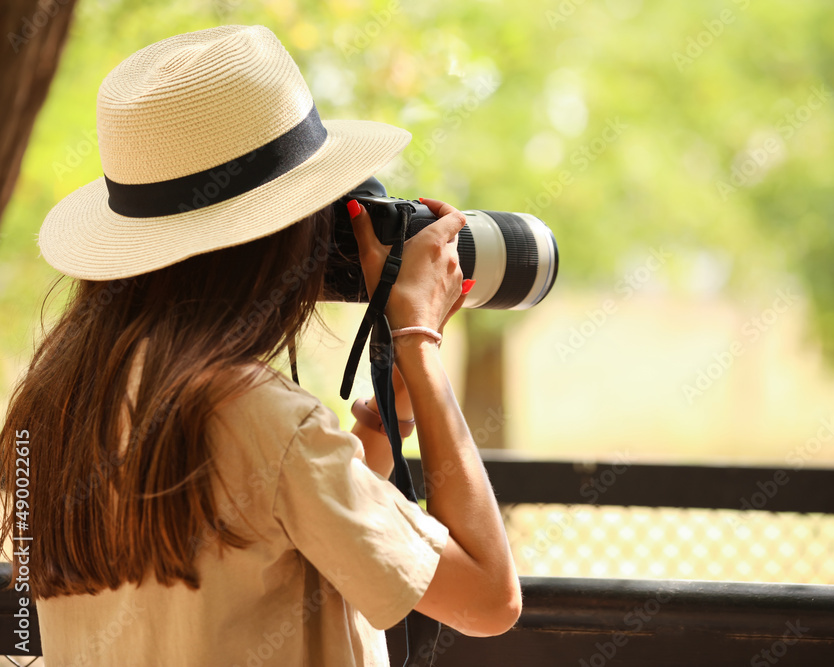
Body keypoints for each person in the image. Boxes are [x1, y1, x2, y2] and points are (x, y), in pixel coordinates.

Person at [0, 24, 520, 666]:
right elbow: (489, 598)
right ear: (280, 237)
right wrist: (418, 337)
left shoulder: (60, 402)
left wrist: (392, 418)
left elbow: (279, 529)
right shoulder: (258, 416)